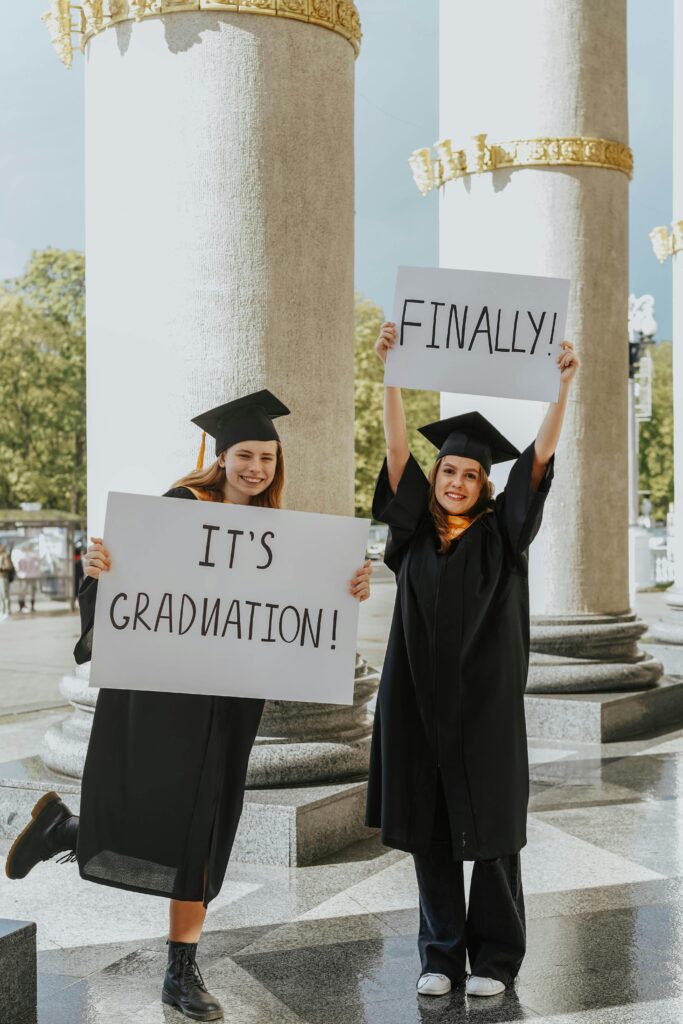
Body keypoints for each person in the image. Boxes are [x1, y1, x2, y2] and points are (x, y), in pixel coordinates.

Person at [6, 390, 372, 1023]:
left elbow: (296, 611)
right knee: (153, 804)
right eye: (245, 456)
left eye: (266, 458)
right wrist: (102, 567)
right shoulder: (183, 507)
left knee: (204, 827)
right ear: (221, 456)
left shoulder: (280, 535)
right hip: (165, 691)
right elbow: (128, 580)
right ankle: (68, 830)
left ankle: (180, 967)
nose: (256, 468)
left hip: (229, 701)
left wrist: (348, 585)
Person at [366, 323, 579, 999]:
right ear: (435, 478)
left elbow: (537, 462)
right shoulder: (410, 539)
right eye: (447, 470)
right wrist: (390, 375)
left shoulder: (504, 535)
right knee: (430, 830)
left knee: (490, 836)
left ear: (486, 483)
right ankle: (440, 954)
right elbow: (396, 452)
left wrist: (562, 387)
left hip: (484, 709)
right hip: (419, 707)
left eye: (469, 473)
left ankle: (494, 958)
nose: (456, 481)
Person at [0, 543, 13, 621]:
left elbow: (9, 566)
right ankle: (2, 611)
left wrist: (1, 567)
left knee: (5, 595)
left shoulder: (5, 555)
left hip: (3, 577)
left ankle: (7, 612)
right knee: (1, 596)